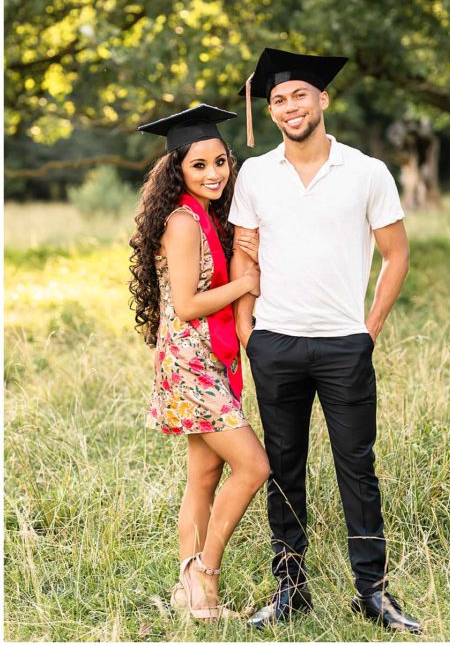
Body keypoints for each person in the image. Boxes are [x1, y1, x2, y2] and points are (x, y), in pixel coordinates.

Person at [228, 48, 421, 634]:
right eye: (279, 100)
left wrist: (370, 328)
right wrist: (246, 327)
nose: (290, 107)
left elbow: (396, 254)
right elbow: (244, 250)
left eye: (300, 96)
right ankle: (290, 589)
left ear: (323, 101)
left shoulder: (366, 171)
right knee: (284, 466)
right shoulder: (257, 174)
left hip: (343, 344)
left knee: (356, 468)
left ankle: (373, 592)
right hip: (276, 343)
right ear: (272, 110)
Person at [128, 104, 270, 622]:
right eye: (199, 166)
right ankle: (204, 572)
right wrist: (246, 283)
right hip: (190, 363)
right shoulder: (184, 223)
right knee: (254, 465)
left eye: (220, 162)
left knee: (204, 475)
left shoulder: (207, 215)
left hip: (207, 358)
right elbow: (187, 305)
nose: (213, 174)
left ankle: (193, 595)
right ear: (178, 172)